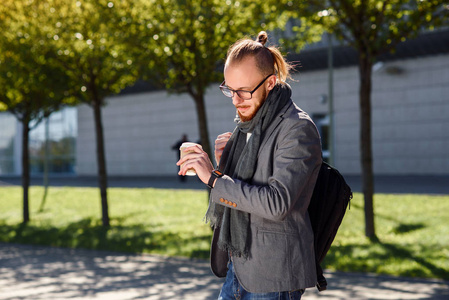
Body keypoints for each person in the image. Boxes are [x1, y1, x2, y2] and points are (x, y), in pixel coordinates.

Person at [176, 31, 322, 300]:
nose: (235, 100)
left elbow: (276, 204)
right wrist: (223, 166)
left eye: (244, 91)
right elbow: (247, 187)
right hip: (238, 268)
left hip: (273, 277)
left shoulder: (297, 128)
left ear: (270, 83)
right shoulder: (249, 125)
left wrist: (214, 179)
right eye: (229, 89)